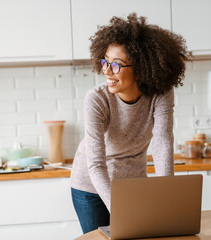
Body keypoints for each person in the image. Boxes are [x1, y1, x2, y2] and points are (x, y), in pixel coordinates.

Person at [70, 13, 189, 234]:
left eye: (116, 65)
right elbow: (96, 165)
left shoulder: (160, 93)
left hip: (133, 184)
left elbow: (162, 141)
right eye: (105, 61)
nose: (106, 71)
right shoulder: (97, 98)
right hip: (91, 187)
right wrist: (122, 210)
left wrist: (167, 196)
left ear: (142, 68)